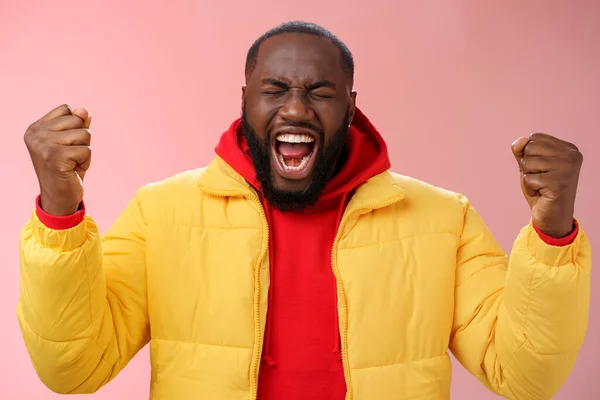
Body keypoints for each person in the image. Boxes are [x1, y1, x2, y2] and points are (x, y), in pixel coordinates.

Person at [17, 21, 590, 400]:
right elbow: (73, 366)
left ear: (350, 106)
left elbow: (525, 374)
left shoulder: (444, 220)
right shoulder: (160, 213)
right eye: (274, 89)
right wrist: (61, 211)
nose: (296, 107)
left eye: (320, 91)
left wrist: (553, 231)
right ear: (244, 100)